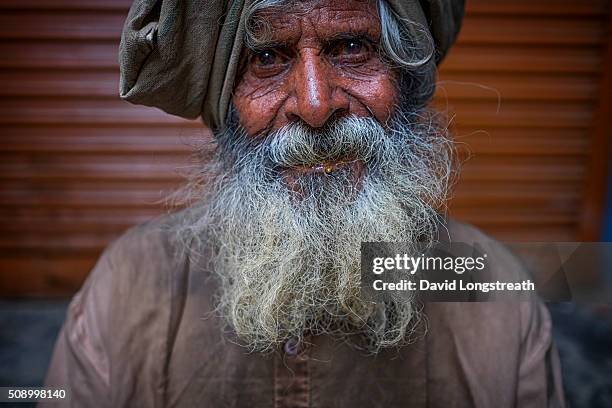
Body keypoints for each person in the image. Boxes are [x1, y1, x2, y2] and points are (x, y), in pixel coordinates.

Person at [43, 0, 567, 406]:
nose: (316, 105)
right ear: (225, 99)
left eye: (352, 48)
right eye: (268, 58)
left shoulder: (497, 295)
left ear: (402, 78)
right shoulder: (128, 286)